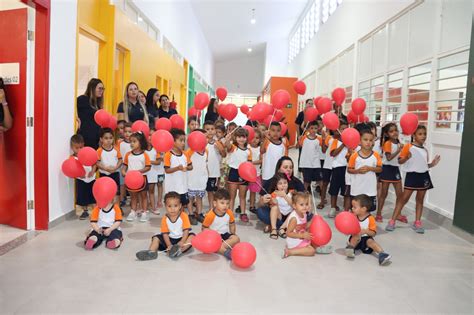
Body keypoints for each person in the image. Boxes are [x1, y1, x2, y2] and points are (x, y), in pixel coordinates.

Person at [386, 125, 440, 233]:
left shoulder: (425, 150)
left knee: (420, 200)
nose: (423, 136)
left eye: (424, 134)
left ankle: (417, 222)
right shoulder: (408, 147)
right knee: (403, 199)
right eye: (420, 134)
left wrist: (432, 164)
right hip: (412, 176)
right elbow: (400, 161)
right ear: (414, 135)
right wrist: (406, 157)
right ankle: (392, 221)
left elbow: (424, 166)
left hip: (424, 176)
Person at [135, 191, 195, 260]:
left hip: (181, 238)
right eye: (169, 206)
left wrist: (182, 241)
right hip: (169, 239)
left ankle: (179, 251)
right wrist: (169, 245)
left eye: (175, 206)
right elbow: (165, 234)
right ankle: (151, 252)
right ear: (165, 206)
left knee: (192, 236)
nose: (172, 209)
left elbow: (186, 231)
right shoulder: (165, 218)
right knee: (156, 238)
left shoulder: (184, 216)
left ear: (180, 206)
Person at [257, 156, 307, 232]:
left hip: (292, 214)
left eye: (291, 167)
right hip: (276, 215)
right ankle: (286, 227)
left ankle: (275, 226)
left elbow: (304, 204)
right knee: (260, 211)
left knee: (307, 214)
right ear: (279, 169)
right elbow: (260, 204)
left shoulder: (297, 182)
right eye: (285, 167)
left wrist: (285, 196)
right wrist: (262, 200)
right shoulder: (270, 182)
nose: (288, 169)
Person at [345, 194, 391, 266]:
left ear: (363, 209)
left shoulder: (370, 219)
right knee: (355, 236)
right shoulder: (353, 217)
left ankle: (382, 254)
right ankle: (350, 248)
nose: (352, 209)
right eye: (352, 207)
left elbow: (373, 233)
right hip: (355, 237)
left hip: (366, 239)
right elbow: (349, 228)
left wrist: (366, 231)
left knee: (371, 242)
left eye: (354, 207)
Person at [377, 123, 406, 223]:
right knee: (383, 194)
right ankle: (379, 214)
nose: (394, 133)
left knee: (400, 195)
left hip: (395, 169)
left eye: (396, 130)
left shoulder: (399, 142)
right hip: (387, 169)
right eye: (391, 131)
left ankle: (397, 214)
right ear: (386, 134)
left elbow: (398, 159)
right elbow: (389, 158)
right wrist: (399, 150)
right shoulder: (387, 143)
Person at [347, 129, 382, 213]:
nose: (368, 142)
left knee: (368, 210)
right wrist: (358, 171)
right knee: (355, 209)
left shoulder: (376, 155)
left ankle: (366, 225)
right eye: (365, 140)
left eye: (371, 140)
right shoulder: (354, 156)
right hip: (357, 189)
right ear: (359, 141)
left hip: (370, 189)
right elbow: (349, 169)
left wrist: (370, 168)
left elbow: (380, 169)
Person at [202, 189, 240, 260]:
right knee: (210, 243)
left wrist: (233, 233)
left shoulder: (229, 213)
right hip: (214, 236)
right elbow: (204, 228)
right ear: (215, 203)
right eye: (222, 203)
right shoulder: (210, 215)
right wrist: (212, 234)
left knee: (236, 239)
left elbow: (232, 224)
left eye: (227, 203)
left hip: (224, 234)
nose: (225, 206)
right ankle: (225, 252)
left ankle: (218, 247)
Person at [163, 128, 193, 222]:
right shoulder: (168, 155)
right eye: (181, 140)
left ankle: (181, 221)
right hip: (172, 187)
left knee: (182, 205)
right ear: (173, 141)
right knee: (172, 205)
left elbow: (191, 166)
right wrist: (177, 168)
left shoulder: (185, 154)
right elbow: (167, 170)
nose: (183, 143)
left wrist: (186, 168)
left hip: (183, 187)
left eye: (184, 140)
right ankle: (171, 222)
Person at [225, 127, 252, 222]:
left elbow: (249, 164)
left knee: (242, 196)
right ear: (235, 138)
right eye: (239, 137)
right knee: (232, 196)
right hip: (233, 172)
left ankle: (243, 213)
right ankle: (230, 213)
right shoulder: (233, 148)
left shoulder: (248, 151)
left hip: (244, 174)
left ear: (246, 138)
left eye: (243, 137)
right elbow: (227, 146)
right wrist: (227, 140)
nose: (241, 139)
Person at [122, 132, 151, 222]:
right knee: (133, 197)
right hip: (131, 180)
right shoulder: (128, 155)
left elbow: (148, 167)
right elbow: (124, 167)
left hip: (142, 179)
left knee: (144, 196)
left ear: (141, 143)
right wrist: (124, 172)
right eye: (131, 141)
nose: (131, 143)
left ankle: (144, 212)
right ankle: (133, 212)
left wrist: (138, 172)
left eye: (134, 141)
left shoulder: (145, 155)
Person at [282, 192, 317, 258]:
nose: (305, 207)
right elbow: (288, 233)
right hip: (294, 241)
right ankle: (290, 251)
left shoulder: (303, 213)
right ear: (294, 206)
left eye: (306, 204)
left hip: (301, 237)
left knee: (315, 239)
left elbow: (305, 226)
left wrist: (313, 219)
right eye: (301, 205)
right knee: (312, 251)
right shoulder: (294, 219)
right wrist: (302, 235)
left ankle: (314, 246)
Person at [70, 134, 97, 219]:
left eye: (81, 147)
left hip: (91, 178)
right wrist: (78, 174)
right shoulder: (73, 158)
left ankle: (92, 210)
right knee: (82, 195)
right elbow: (72, 169)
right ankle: (82, 211)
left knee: (91, 194)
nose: (79, 150)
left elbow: (94, 163)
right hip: (81, 179)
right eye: (76, 148)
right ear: (72, 147)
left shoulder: (87, 154)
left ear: (84, 145)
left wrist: (93, 171)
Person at [328, 120, 350, 218]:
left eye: (346, 129)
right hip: (337, 168)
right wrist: (343, 144)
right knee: (334, 189)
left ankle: (346, 210)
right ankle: (333, 207)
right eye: (342, 129)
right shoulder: (335, 141)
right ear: (338, 130)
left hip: (347, 169)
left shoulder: (351, 142)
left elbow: (351, 156)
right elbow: (333, 153)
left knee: (346, 191)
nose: (344, 131)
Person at [186, 129, 208, 224]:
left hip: (201, 179)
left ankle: (199, 213)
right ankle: (191, 214)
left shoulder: (206, 151)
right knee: (190, 198)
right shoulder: (189, 152)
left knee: (199, 198)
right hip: (191, 179)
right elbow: (187, 165)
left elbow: (205, 164)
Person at [76, 78, 104, 148]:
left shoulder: (97, 104)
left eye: (103, 89)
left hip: (95, 139)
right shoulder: (82, 99)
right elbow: (71, 111)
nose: (102, 91)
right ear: (92, 88)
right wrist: (76, 120)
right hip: (84, 137)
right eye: (100, 88)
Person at [204, 120, 226, 210]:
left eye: (212, 129)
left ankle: (212, 207)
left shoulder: (217, 143)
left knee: (211, 191)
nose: (210, 131)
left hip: (213, 173)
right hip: (203, 172)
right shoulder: (202, 142)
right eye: (207, 129)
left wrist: (220, 148)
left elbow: (224, 155)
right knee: (203, 191)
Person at [97, 128, 122, 203]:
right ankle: (107, 208)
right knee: (105, 192)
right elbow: (97, 163)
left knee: (116, 192)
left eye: (111, 138)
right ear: (101, 139)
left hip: (115, 173)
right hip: (104, 174)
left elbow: (120, 160)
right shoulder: (99, 151)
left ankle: (117, 208)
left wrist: (116, 168)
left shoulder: (116, 149)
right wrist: (105, 168)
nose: (108, 140)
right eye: (106, 138)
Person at [297, 121, 323, 193]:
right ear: (308, 129)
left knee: (320, 180)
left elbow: (323, 150)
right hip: (306, 164)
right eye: (311, 128)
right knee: (306, 181)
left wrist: (324, 140)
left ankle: (323, 197)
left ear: (318, 129)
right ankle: (303, 195)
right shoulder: (304, 138)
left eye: (315, 128)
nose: (313, 130)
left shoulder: (319, 139)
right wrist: (299, 140)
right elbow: (298, 146)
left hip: (316, 164)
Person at [261, 122, 288, 186]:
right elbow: (262, 151)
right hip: (267, 174)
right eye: (273, 130)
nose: (275, 133)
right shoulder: (267, 142)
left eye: (278, 130)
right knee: (266, 193)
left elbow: (284, 160)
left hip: (278, 175)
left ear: (281, 132)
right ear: (269, 131)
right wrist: (266, 138)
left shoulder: (283, 145)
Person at [268, 173, 293, 240]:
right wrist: (272, 201)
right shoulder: (274, 193)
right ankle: (274, 229)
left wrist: (285, 196)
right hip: (279, 215)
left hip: (289, 217)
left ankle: (282, 228)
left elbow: (294, 205)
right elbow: (270, 204)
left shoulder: (292, 192)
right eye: (280, 184)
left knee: (295, 211)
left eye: (285, 183)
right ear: (276, 186)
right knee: (274, 207)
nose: (283, 185)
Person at [145, 130, 163, 215]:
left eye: (152, 135)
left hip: (154, 173)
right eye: (149, 135)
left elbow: (158, 162)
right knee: (144, 191)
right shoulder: (142, 149)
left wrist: (148, 161)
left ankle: (154, 206)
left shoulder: (157, 149)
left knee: (153, 189)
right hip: (144, 173)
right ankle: (145, 206)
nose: (150, 137)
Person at [295, 99, 314, 171]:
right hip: (302, 136)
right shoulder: (301, 114)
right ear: (306, 104)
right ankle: (300, 168)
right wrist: (299, 135)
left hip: (310, 136)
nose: (310, 105)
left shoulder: (314, 114)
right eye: (309, 103)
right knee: (301, 152)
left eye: (312, 104)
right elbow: (297, 125)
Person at [248, 128, 263, 214]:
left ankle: (252, 206)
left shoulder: (260, 149)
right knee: (244, 190)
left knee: (253, 191)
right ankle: (241, 204)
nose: (254, 140)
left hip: (255, 174)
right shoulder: (247, 147)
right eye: (253, 137)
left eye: (257, 138)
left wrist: (251, 163)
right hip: (245, 174)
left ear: (260, 139)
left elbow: (262, 160)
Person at [118, 122, 132, 207]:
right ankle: (122, 199)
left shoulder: (134, 143)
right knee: (122, 184)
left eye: (129, 132)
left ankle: (132, 198)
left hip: (131, 166)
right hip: (122, 165)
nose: (127, 133)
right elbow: (117, 153)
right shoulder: (120, 143)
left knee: (130, 184)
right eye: (126, 131)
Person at [319, 131, 333, 209]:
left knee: (335, 186)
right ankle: (322, 201)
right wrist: (323, 139)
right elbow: (323, 150)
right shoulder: (329, 138)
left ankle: (333, 204)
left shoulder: (344, 139)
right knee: (325, 184)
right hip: (328, 164)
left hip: (338, 166)